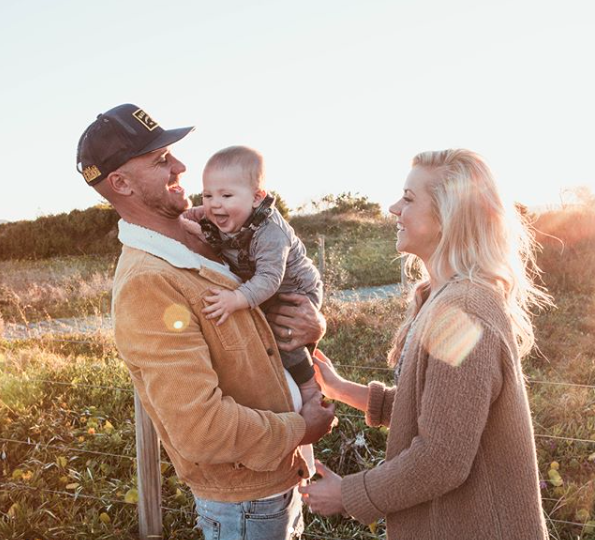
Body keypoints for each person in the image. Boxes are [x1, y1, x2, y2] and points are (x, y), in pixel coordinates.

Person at [76, 103, 336, 540]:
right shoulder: (148, 283)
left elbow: (261, 321)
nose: (180, 165)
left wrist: (312, 325)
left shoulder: (204, 231)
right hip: (246, 503)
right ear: (120, 182)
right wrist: (300, 428)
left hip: (281, 479)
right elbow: (201, 428)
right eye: (160, 160)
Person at [299, 149, 551, 540]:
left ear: (448, 217)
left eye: (409, 198)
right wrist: (342, 389)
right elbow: (443, 409)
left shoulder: (464, 309)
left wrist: (348, 494)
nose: (393, 207)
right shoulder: (447, 296)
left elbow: (442, 458)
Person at [184, 145, 323, 406]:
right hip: (264, 286)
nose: (215, 204)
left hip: (294, 289)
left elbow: (270, 278)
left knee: (284, 337)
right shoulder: (228, 216)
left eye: (226, 195)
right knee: (261, 335)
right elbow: (203, 227)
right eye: (207, 195)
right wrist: (180, 221)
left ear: (257, 197)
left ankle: (310, 389)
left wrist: (237, 298)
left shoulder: (271, 232)